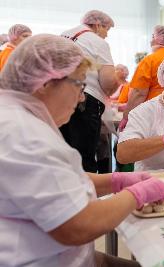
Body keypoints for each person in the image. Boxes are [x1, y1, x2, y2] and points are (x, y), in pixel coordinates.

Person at [0, 34, 164, 266]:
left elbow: (58, 179)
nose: (82, 97)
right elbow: (77, 226)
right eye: (80, 85)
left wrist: (115, 181)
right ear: (45, 83)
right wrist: (136, 194)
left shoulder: (18, 119)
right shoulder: (25, 135)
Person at [60, 10, 120, 172]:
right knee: (84, 156)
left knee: (63, 153)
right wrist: (118, 79)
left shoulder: (62, 36)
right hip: (86, 101)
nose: (106, 35)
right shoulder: (98, 42)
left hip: (58, 98)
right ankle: (86, 195)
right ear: (98, 25)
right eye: (107, 29)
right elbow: (107, 81)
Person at [121, 25, 164, 127]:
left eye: (152, 37)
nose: (150, 41)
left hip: (154, 114)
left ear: (159, 39)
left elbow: (139, 93)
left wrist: (126, 117)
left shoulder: (150, 60)